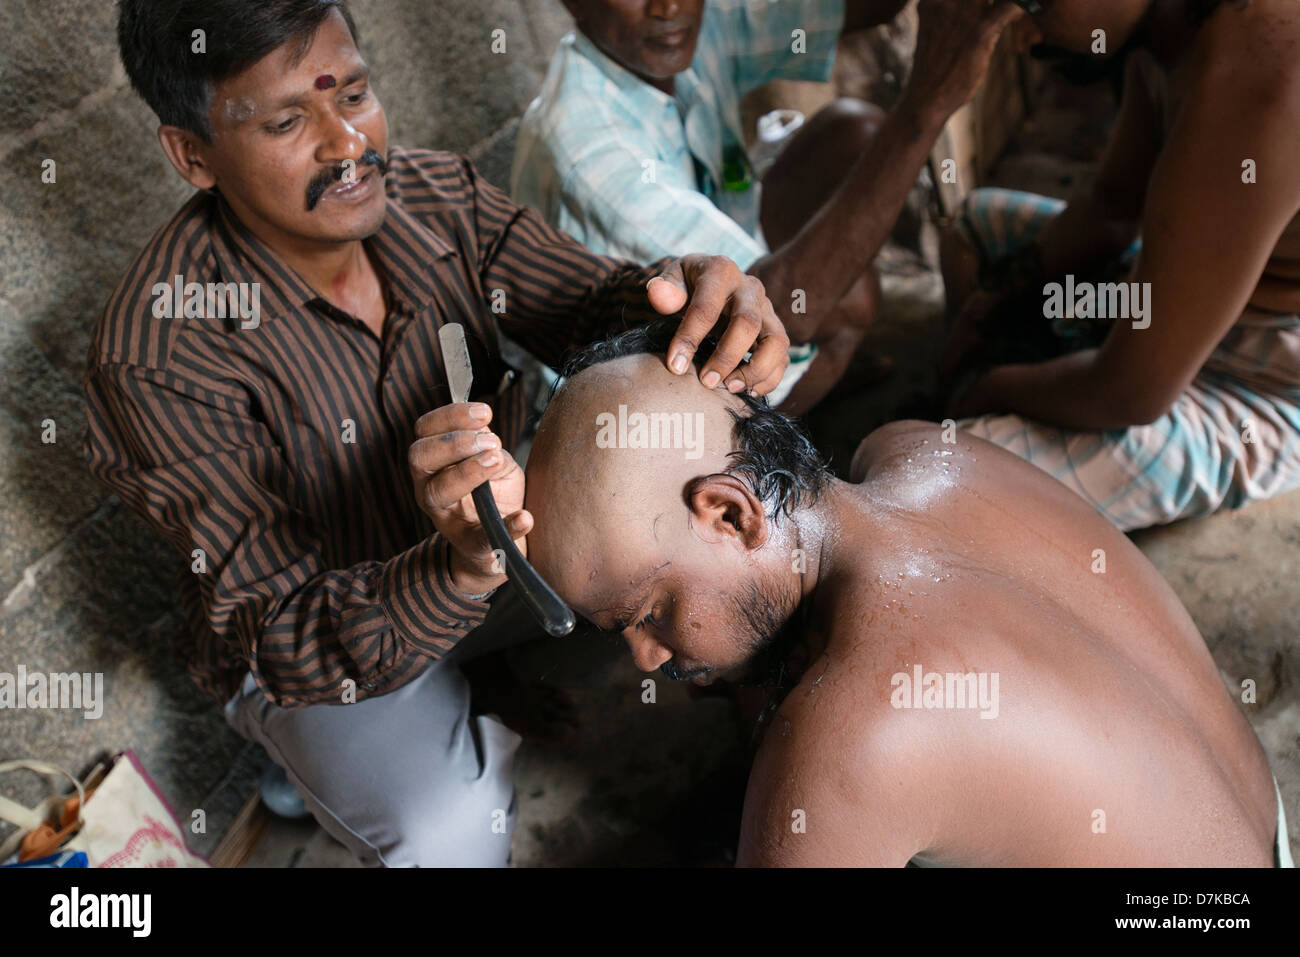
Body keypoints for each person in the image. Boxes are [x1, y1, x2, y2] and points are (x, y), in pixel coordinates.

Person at [84, 0, 789, 866]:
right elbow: (281, 629)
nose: (348, 144)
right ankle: (325, 753)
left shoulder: (432, 196)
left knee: (726, 541)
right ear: (193, 155)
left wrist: (693, 293)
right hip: (323, 649)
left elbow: (592, 310)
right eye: (286, 121)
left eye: (352, 92)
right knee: (448, 834)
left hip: (493, 559)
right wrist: (456, 567)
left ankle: (479, 683)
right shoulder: (158, 353)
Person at [523, 320, 1293, 866]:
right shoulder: (919, 446)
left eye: (649, 613)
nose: (646, 657)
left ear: (730, 513)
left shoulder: (846, 739)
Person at [513, 0, 1024, 412]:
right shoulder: (591, 152)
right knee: (843, 306)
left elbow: (854, 8)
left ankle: (818, 377)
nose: (668, 7)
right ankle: (779, 447)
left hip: (721, 244)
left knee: (854, 131)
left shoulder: (679, 28)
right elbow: (770, 303)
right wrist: (928, 104)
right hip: (625, 381)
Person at [942, 0, 1300, 531]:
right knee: (974, 226)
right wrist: (997, 298)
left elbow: (1129, 393)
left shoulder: (1256, 76)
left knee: (949, 471)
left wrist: (986, 386)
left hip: (1261, 381)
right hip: (1164, 299)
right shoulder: (1170, 30)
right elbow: (1111, 206)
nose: (1017, 39)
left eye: (1033, 5)